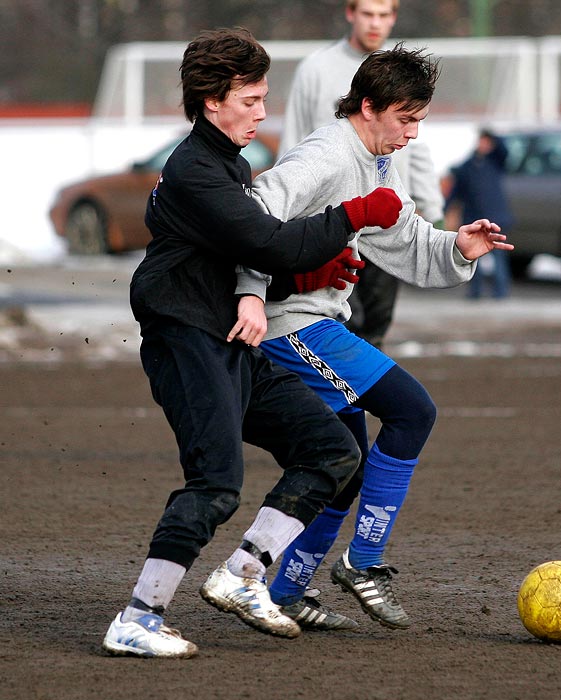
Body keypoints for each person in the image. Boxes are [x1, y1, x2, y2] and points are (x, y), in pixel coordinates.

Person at [101, 27, 403, 659]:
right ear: (212, 101)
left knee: (330, 450)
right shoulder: (194, 172)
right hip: (186, 340)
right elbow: (266, 241)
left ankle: (243, 575)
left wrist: (305, 276)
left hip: (231, 337)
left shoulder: (230, 164)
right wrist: (353, 214)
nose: (263, 113)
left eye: (265, 98)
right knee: (215, 483)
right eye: (250, 100)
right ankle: (138, 617)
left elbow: (250, 253)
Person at [238, 45, 513, 631]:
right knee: (413, 411)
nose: (413, 133)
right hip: (292, 327)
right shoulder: (328, 152)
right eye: (406, 118)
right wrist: (253, 295)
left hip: (320, 322)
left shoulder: (377, 158)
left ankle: (285, 592)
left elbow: (402, 234)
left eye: (420, 119)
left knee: (347, 468)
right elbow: (255, 211)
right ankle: (362, 563)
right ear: (369, 106)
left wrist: (456, 247)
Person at [279, 0, 445, 348]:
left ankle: (364, 396)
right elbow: (294, 143)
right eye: (368, 13)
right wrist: (291, 226)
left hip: (387, 222)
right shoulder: (317, 68)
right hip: (334, 223)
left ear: (394, 18)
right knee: (336, 323)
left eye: (384, 15)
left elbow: (418, 150)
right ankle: (332, 397)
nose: (375, 23)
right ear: (351, 13)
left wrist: (431, 209)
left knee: (377, 326)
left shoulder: (403, 75)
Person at [444, 128, 514, 299]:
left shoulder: (496, 162)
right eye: (481, 141)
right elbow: (456, 192)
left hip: (495, 219)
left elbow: (505, 150)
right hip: (473, 219)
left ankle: (500, 292)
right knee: (473, 256)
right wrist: (443, 210)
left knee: (498, 257)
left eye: (486, 142)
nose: (483, 145)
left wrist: (491, 133)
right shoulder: (467, 166)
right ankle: (475, 292)